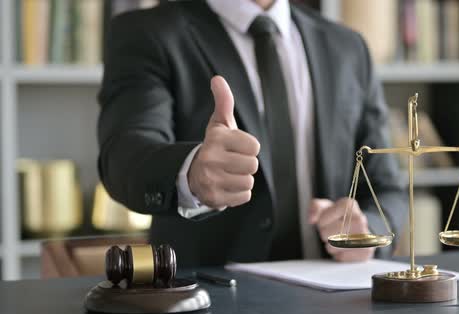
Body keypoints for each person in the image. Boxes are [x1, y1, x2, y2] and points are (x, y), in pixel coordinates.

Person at [97, 0, 407, 268]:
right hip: (209, 303)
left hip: (335, 304)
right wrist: (191, 173)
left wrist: (368, 228)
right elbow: (125, 156)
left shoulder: (347, 47)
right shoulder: (147, 33)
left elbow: (387, 188)